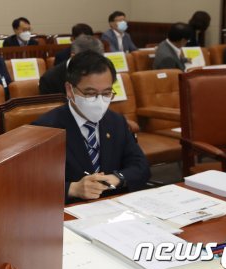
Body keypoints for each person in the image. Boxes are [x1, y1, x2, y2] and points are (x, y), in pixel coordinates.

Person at [32, 51, 150, 204]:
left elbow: (141, 167)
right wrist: (72, 189)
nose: (99, 101)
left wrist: (117, 178)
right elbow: (30, 184)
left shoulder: (116, 121)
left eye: (106, 93)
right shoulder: (45, 128)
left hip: (113, 206)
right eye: (90, 94)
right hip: (68, 209)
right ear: (70, 90)